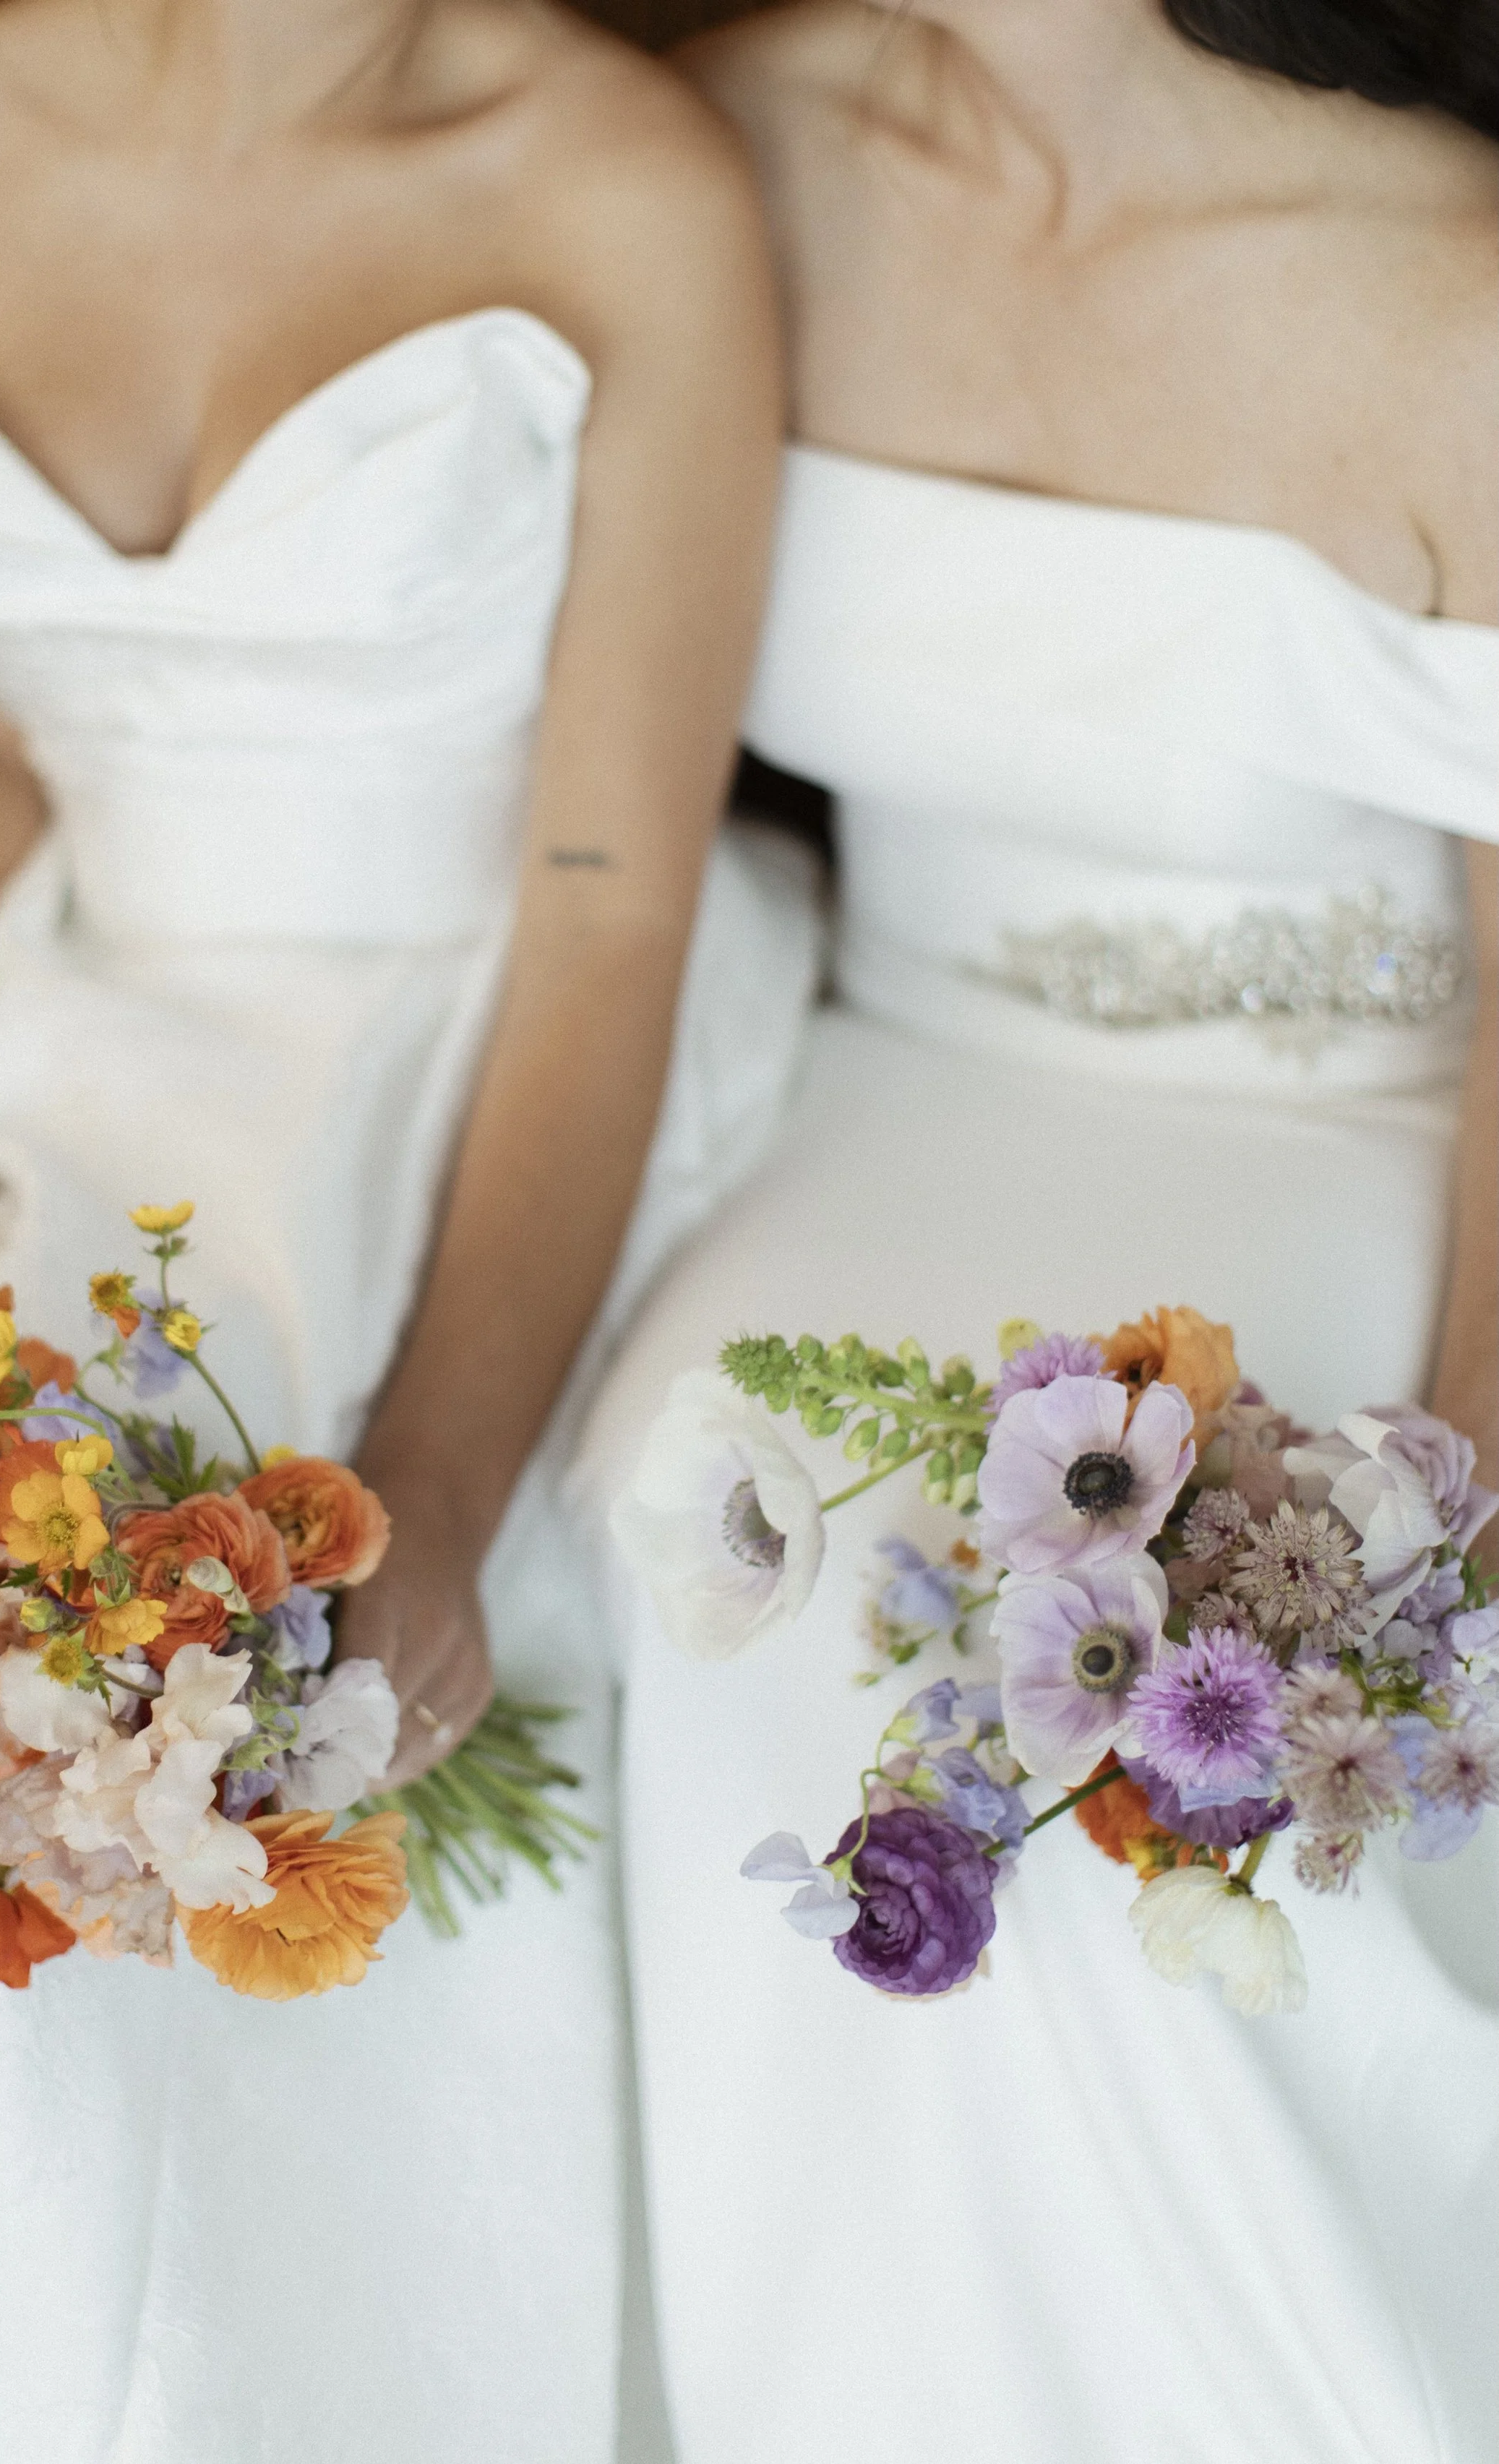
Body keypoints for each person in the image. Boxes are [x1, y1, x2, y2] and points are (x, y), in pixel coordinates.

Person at [0, 0, 820, 2452]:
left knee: (176, 1648)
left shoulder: (619, 186)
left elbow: (606, 908)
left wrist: (436, 1463)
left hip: (484, 1032)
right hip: (44, 1005)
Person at [573, 0, 1499, 2454]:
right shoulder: (718, 142)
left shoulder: (1454, 279)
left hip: (1359, 1125)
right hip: (883, 1062)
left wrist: (1461, 1481)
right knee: (681, 1537)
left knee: (1092, 1723)